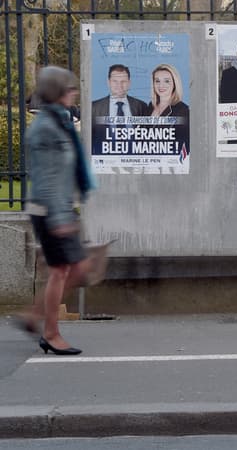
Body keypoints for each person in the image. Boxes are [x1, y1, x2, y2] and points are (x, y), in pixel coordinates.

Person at [17, 66, 98, 355]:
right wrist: (61, 218)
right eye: (69, 89)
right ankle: (49, 332)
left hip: (58, 208)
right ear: (57, 93)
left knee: (69, 270)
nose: (74, 92)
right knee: (67, 270)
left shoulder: (60, 121)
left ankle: (35, 318)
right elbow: (47, 179)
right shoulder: (45, 129)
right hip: (49, 210)